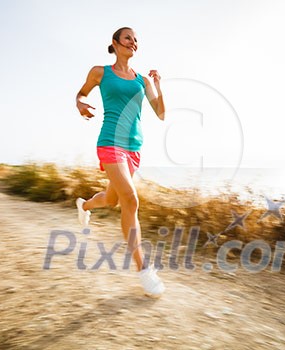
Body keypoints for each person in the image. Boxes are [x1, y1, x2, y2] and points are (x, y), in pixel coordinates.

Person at [75, 27, 166, 297]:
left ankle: (85, 205)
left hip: (134, 148)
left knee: (114, 199)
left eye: (136, 40)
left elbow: (160, 113)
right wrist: (80, 104)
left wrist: (159, 86)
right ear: (115, 43)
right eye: (128, 38)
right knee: (131, 199)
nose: (133, 42)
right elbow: (81, 94)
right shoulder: (100, 72)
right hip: (110, 142)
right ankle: (144, 270)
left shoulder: (142, 80)